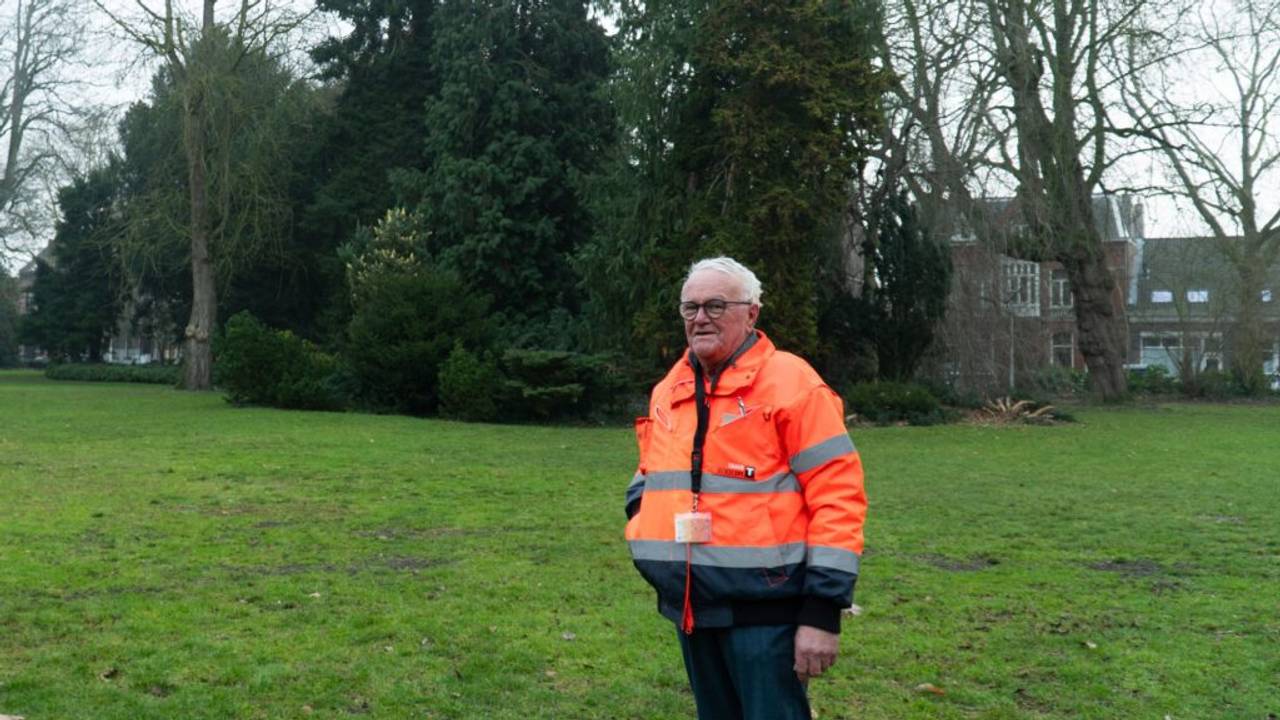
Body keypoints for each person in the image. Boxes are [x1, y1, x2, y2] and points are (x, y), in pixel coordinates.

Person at [625, 256, 867, 720]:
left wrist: (822, 609)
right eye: (690, 307)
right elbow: (648, 475)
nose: (700, 318)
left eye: (716, 306)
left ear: (752, 312)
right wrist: (643, 523)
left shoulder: (793, 384)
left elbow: (838, 497)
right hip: (691, 609)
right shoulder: (670, 388)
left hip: (767, 614)